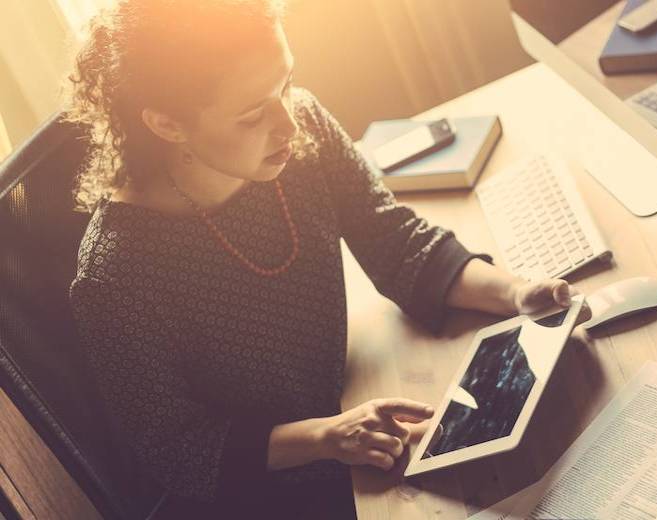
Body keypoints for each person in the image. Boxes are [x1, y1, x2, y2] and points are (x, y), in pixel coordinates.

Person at [63, 0, 588, 517]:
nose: (288, 122)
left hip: (355, 418)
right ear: (167, 124)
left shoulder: (303, 128)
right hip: (272, 490)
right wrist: (327, 436)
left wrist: (515, 292)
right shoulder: (116, 275)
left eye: (285, 86)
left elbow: (394, 239)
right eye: (253, 115)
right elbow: (177, 453)